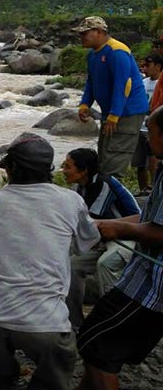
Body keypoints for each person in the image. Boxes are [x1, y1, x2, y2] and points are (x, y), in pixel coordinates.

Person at [0, 133, 101, 390]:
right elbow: (86, 244)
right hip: (47, 325)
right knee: (57, 366)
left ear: (10, 169)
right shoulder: (71, 200)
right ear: (50, 170)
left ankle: (1, 372)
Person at [75, 106, 163, 390]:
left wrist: (118, 228)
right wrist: (106, 227)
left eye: (152, 133)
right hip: (141, 276)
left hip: (153, 288)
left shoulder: (104, 183)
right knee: (95, 343)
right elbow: (147, 217)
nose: (147, 140)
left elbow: (158, 232)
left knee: (98, 344)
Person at [61, 148, 140, 329]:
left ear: (84, 170)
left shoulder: (104, 184)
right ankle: (75, 325)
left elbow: (90, 222)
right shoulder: (80, 187)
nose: (63, 170)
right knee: (72, 266)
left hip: (130, 235)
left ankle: (114, 323)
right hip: (103, 237)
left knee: (106, 263)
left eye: (67, 166)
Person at [75, 16, 149, 177]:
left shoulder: (117, 52)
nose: (81, 37)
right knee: (104, 156)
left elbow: (123, 85)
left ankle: (112, 198)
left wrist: (115, 115)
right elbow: (91, 82)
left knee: (114, 160)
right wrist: (84, 104)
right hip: (110, 113)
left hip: (127, 112)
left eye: (84, 33)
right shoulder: (93, 55)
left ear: (99, 32)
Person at [133, 54, 163, 193]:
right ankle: (143, 188)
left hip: (155, 127)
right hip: (140, 126)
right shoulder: (143, 83)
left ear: (158, 66)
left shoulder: (160, 83)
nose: (144, 69)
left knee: (154, 159)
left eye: (148, 65)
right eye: (143, 66)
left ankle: (155, 185)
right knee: (139, 161)